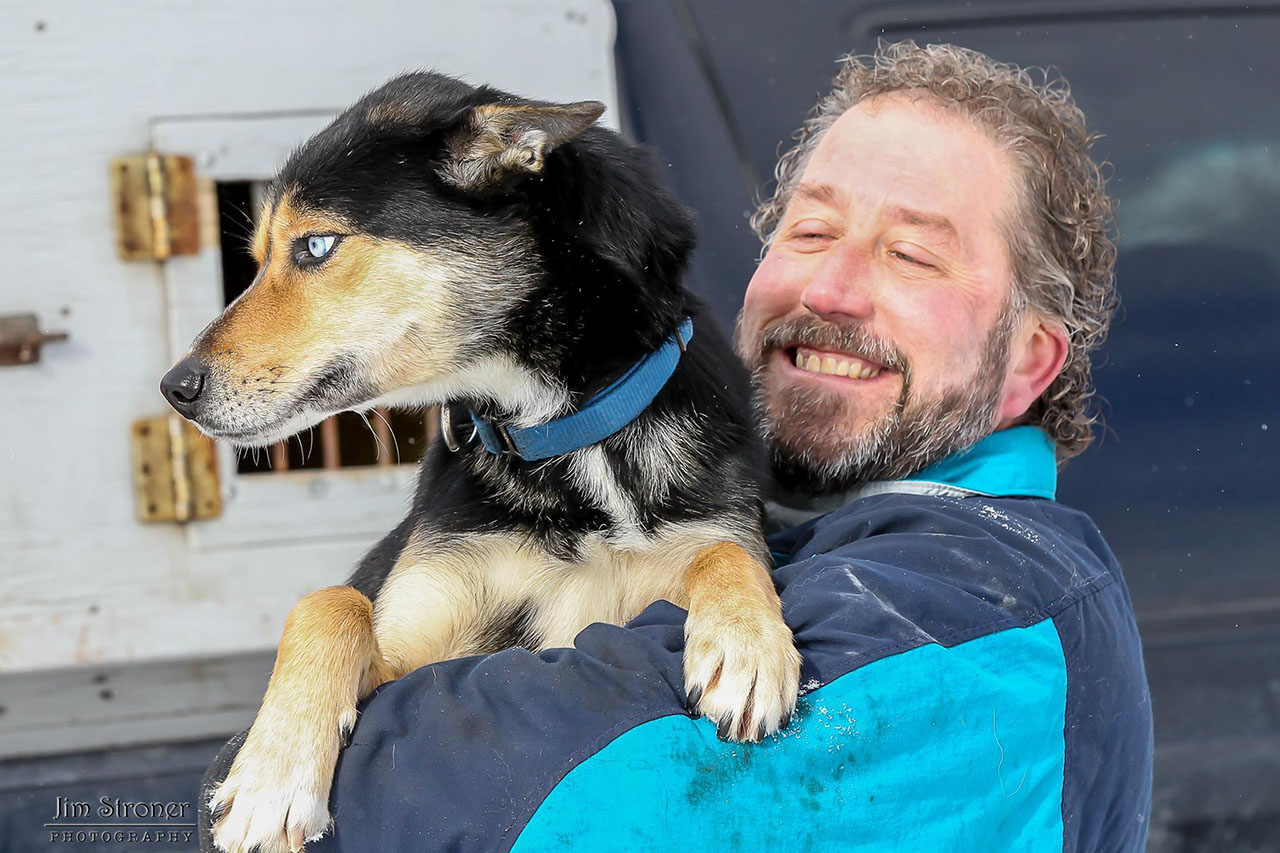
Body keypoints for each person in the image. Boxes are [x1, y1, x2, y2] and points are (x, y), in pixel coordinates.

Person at [202, 41, 1152, 852]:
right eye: (809, 229)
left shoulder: (979, 617)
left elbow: (525, 800)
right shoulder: (777, 514)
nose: (831, 289)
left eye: (913, 255)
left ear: (1031, 361)